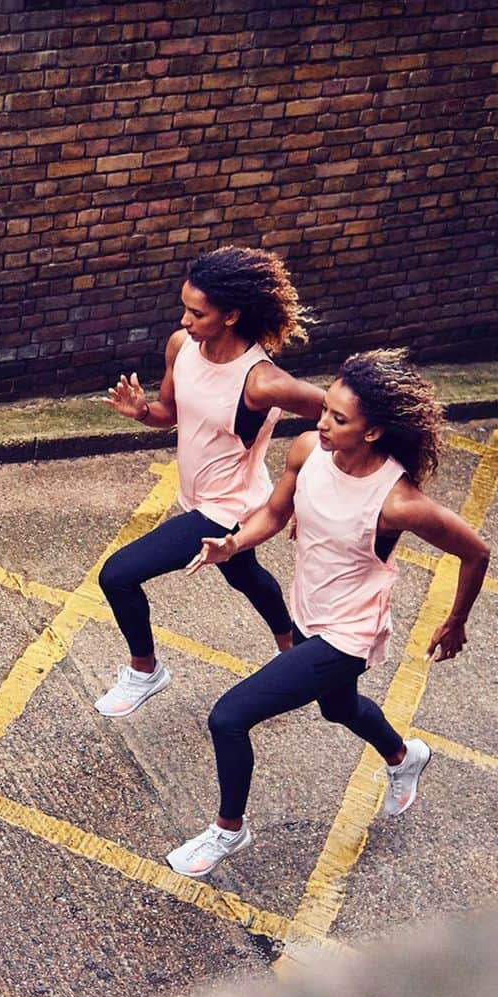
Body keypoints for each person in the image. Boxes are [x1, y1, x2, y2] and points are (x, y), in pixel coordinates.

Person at [165, 349, 490, 878]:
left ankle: (228, 831)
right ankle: (404, 756)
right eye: (325, 411)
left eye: (339, 419)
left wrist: (455, 623)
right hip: (309, 610)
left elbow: (475, 552)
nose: (322, 422)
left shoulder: (399, 502)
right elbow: (274, 511)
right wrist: (234, 542)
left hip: (349, 634)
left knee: (229, 717)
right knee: (337, 709)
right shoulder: (307, 450)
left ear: (374, 432)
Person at [94, 245, 327, 718]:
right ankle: (294, 653)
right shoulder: (182, 348)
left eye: (197, 313)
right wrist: (141, 412)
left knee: (117, 575)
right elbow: (169, 414)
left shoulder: (262, 382)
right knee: (245, 575)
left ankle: (145, 671)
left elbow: (342, 417)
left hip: (230, 507)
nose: (184, 321)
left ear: (232, 315)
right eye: (184, 308)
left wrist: (306, 483)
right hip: (198, 494)